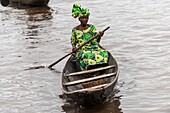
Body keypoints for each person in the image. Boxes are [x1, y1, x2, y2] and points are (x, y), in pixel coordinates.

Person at [71, 3, 109, 71]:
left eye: (86, 17)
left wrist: (100, 36)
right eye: (83, 18)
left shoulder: (92, 27)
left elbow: (97, 41)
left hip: (93, 47)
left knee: (104, 53)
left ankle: (99, 67)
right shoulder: (75, 30)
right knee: (86, 55)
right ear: (79, 19)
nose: (85, 19)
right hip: (82, 49)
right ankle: (88, 69)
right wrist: (74, 47)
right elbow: (73, 42)